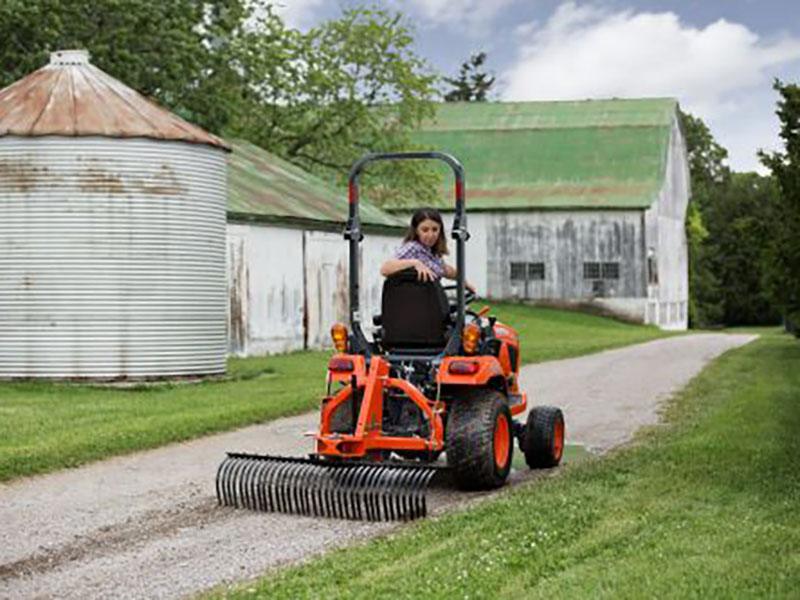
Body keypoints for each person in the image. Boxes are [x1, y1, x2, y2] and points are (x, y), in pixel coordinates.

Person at [380, 208, 476, 293]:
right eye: (425, 230)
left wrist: (464, 282)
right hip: (416, 304)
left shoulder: (432, 253)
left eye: (435, 230)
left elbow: (446, 270)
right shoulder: (413, 248)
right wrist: (415, 263)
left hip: (430, 304)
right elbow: (385, 269)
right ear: (417, 230)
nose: (431, 235)